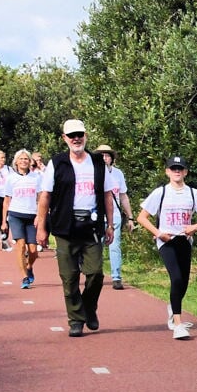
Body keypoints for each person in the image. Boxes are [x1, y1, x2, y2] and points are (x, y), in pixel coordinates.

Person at [36, 119, 119, 337]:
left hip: (92, 226)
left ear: (85, 135)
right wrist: (41, 226)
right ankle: (75, 319)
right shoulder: (57, 163)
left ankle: (88, 309)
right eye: (71, 135)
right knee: (69, 276)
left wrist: (110, 225)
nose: (76, 139)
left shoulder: (98, 163)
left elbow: (107, 195)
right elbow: (46, 196)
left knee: (95, 273)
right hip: (65, 226)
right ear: (64, 138)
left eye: (79, 134)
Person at [137, 155, 197, 339]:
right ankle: (178, 324)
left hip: (184, 240)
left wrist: (195, 227)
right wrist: (158, 233)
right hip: (166, 241)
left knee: (184, 283)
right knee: (177, 278)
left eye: (180, 169)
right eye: (173, 168)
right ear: (167, 172)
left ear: (186, 172)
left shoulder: (193, 193)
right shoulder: (160, 192)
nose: (177, 172)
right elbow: (142, 217)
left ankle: (173, 309)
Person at [94, 144, 134, 289]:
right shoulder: (93, 172)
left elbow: (123, 196)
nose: (104, 158)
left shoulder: (118, 174)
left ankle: (116, 277)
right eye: (101, 155)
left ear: (112, 158)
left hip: (115, 215)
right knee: (95, 247)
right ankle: (95, 274)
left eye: (107, 155)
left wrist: (130, 217)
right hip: (97, 216)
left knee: (115, 246)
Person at [3, 150, 43, 287]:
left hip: (31, 216)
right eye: (21, 159)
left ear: (30, 161)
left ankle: (29, 266)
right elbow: (7, 200)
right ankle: (24, 277)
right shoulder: (11, 178)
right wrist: (4, 221)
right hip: (15, 215)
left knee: (33, 251)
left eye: (26, 159)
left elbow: (40, 199)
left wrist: (39, 216)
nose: (24, 161)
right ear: (16, 161)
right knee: (20, 246)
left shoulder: (36, 177)